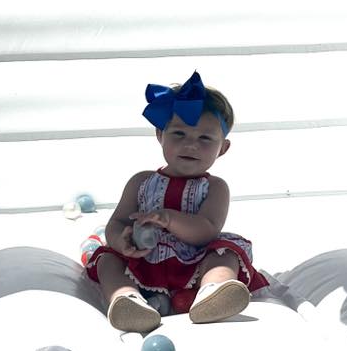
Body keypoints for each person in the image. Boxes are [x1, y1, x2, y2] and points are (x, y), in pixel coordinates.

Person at [85, 70, 268, 333]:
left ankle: (212, 292)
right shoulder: (141, 181)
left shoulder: (215, 187)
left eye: (205, 138)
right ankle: (128, 299)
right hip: (144, 263)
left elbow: (206, 229)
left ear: (223, 148)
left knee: (225, 251)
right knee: (106, 258)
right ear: (160, 135)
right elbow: (117, 221)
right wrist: (121, 241)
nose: (190, 145)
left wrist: (169, 219)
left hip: (194, 266)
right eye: (179, 134)